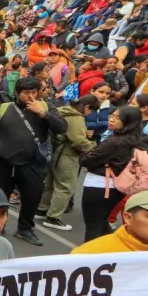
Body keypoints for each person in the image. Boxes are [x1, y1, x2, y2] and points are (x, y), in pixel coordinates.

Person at [0, 76, 68, 246]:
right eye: (26, 93)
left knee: (32, 197)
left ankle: (25, 229)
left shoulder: (45, 108)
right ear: (17, 93)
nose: (30, 96)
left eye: (34, 92)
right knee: (0, 196)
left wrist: (43, 114)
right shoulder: (4, 109)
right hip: (4, 163)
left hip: (33, 163)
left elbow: (62, 127)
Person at [78, 104, 148, 241]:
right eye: (112, 116)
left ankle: (87, 257)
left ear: (127, 122)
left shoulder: (115, 142)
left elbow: (86, 160)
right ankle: (113, 251)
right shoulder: (143, 140)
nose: (111, 119)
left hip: (100, 186)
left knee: (93, 225)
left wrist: (88, 154)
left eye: (117, 118)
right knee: (102, 222)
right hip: (120, 187)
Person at [39, 95, 98, 232]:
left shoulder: (62, 110)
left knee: (51, 183)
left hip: (55, 151)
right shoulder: (76, 117)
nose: (90, 114)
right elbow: (78, 142)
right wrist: (94, 145)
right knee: (65, 186)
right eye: (91, 111)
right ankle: (53, 217)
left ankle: (42, 209)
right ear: (87, 107)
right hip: (67, 155)